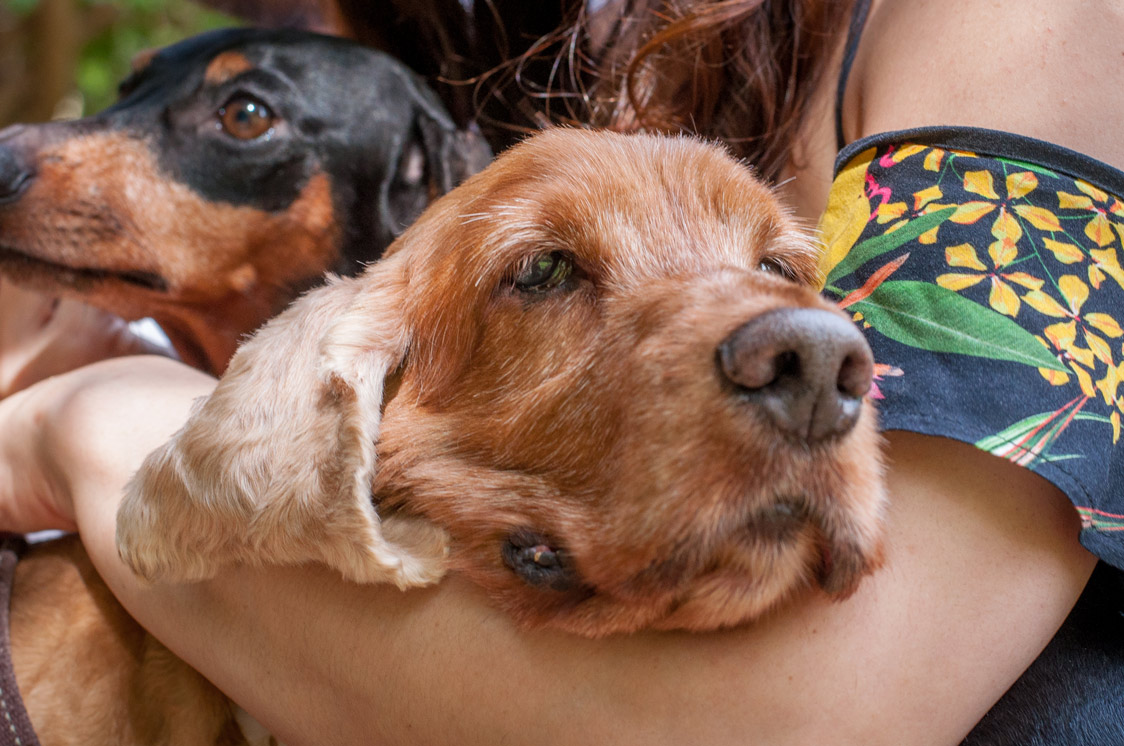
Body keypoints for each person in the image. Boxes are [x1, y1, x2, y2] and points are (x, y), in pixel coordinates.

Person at [0, 0, 1120, 743]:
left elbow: (804, 716)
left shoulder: (1038, 24)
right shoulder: (467, 50)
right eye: (545, 270)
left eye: (785, 268)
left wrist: (94, 425)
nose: (814, 348)